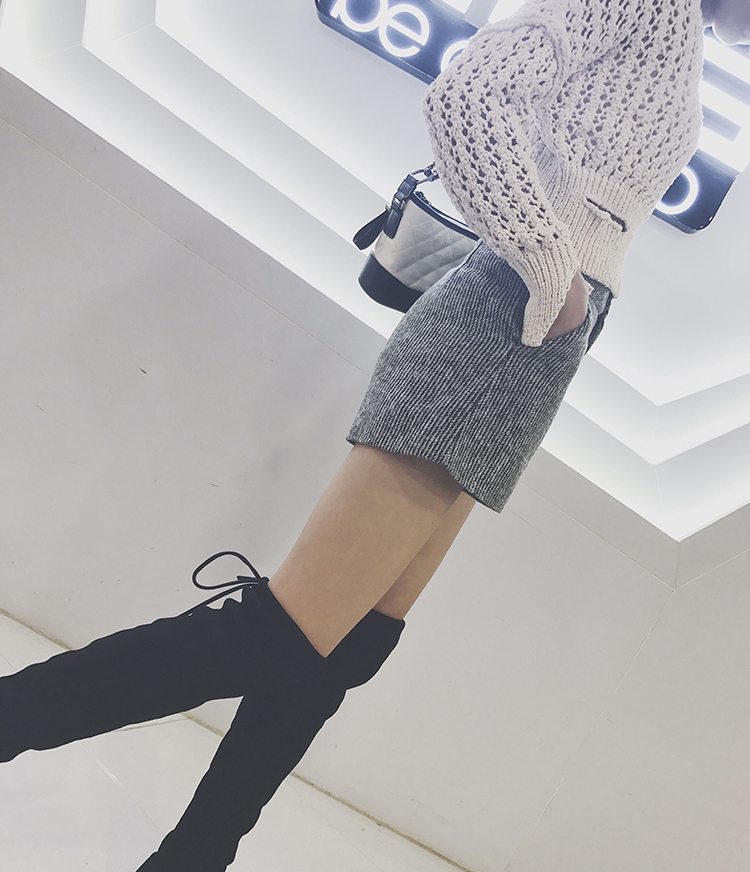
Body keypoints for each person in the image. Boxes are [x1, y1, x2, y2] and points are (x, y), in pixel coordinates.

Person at [1, 0, 746, 869]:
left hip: (536, 342)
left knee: (349, 646)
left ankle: (195, 857)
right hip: (504, 321)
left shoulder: (684, 31)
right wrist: (554, 270)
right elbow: (470, 95)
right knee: (279, 638)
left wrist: (567, 298)